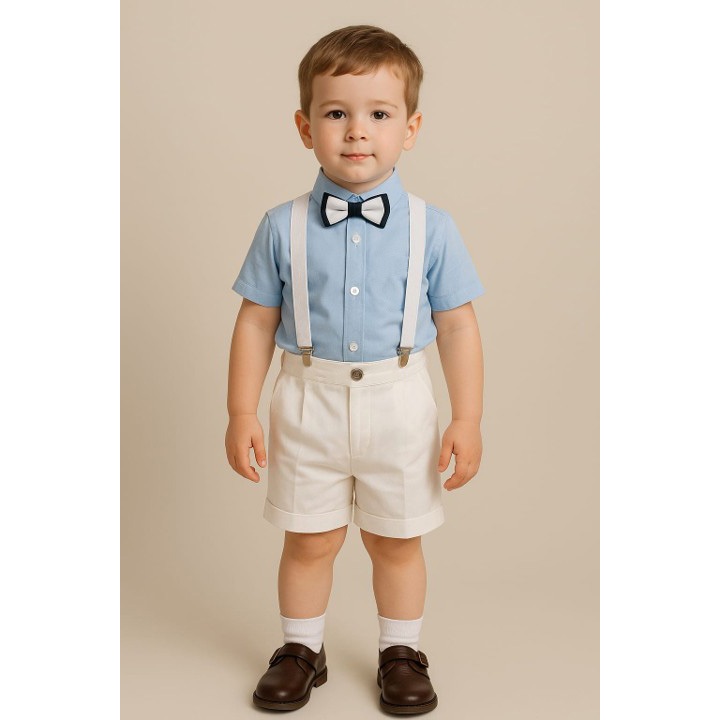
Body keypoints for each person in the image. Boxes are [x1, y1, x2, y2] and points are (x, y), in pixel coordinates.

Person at [225, 24, 485, 715]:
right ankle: (301, 649)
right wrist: (241, 410)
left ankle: (401, 653)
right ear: (305, 126)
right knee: (308, 539)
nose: (357, 131)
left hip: (400, 403)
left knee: (395, 541)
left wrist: (467, 418)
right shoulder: (280, 225)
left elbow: (458, 326)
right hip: (306, 400)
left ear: (411, 128)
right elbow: (255, 322)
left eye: (380, 113)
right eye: (337, 112)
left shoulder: (433, 227)